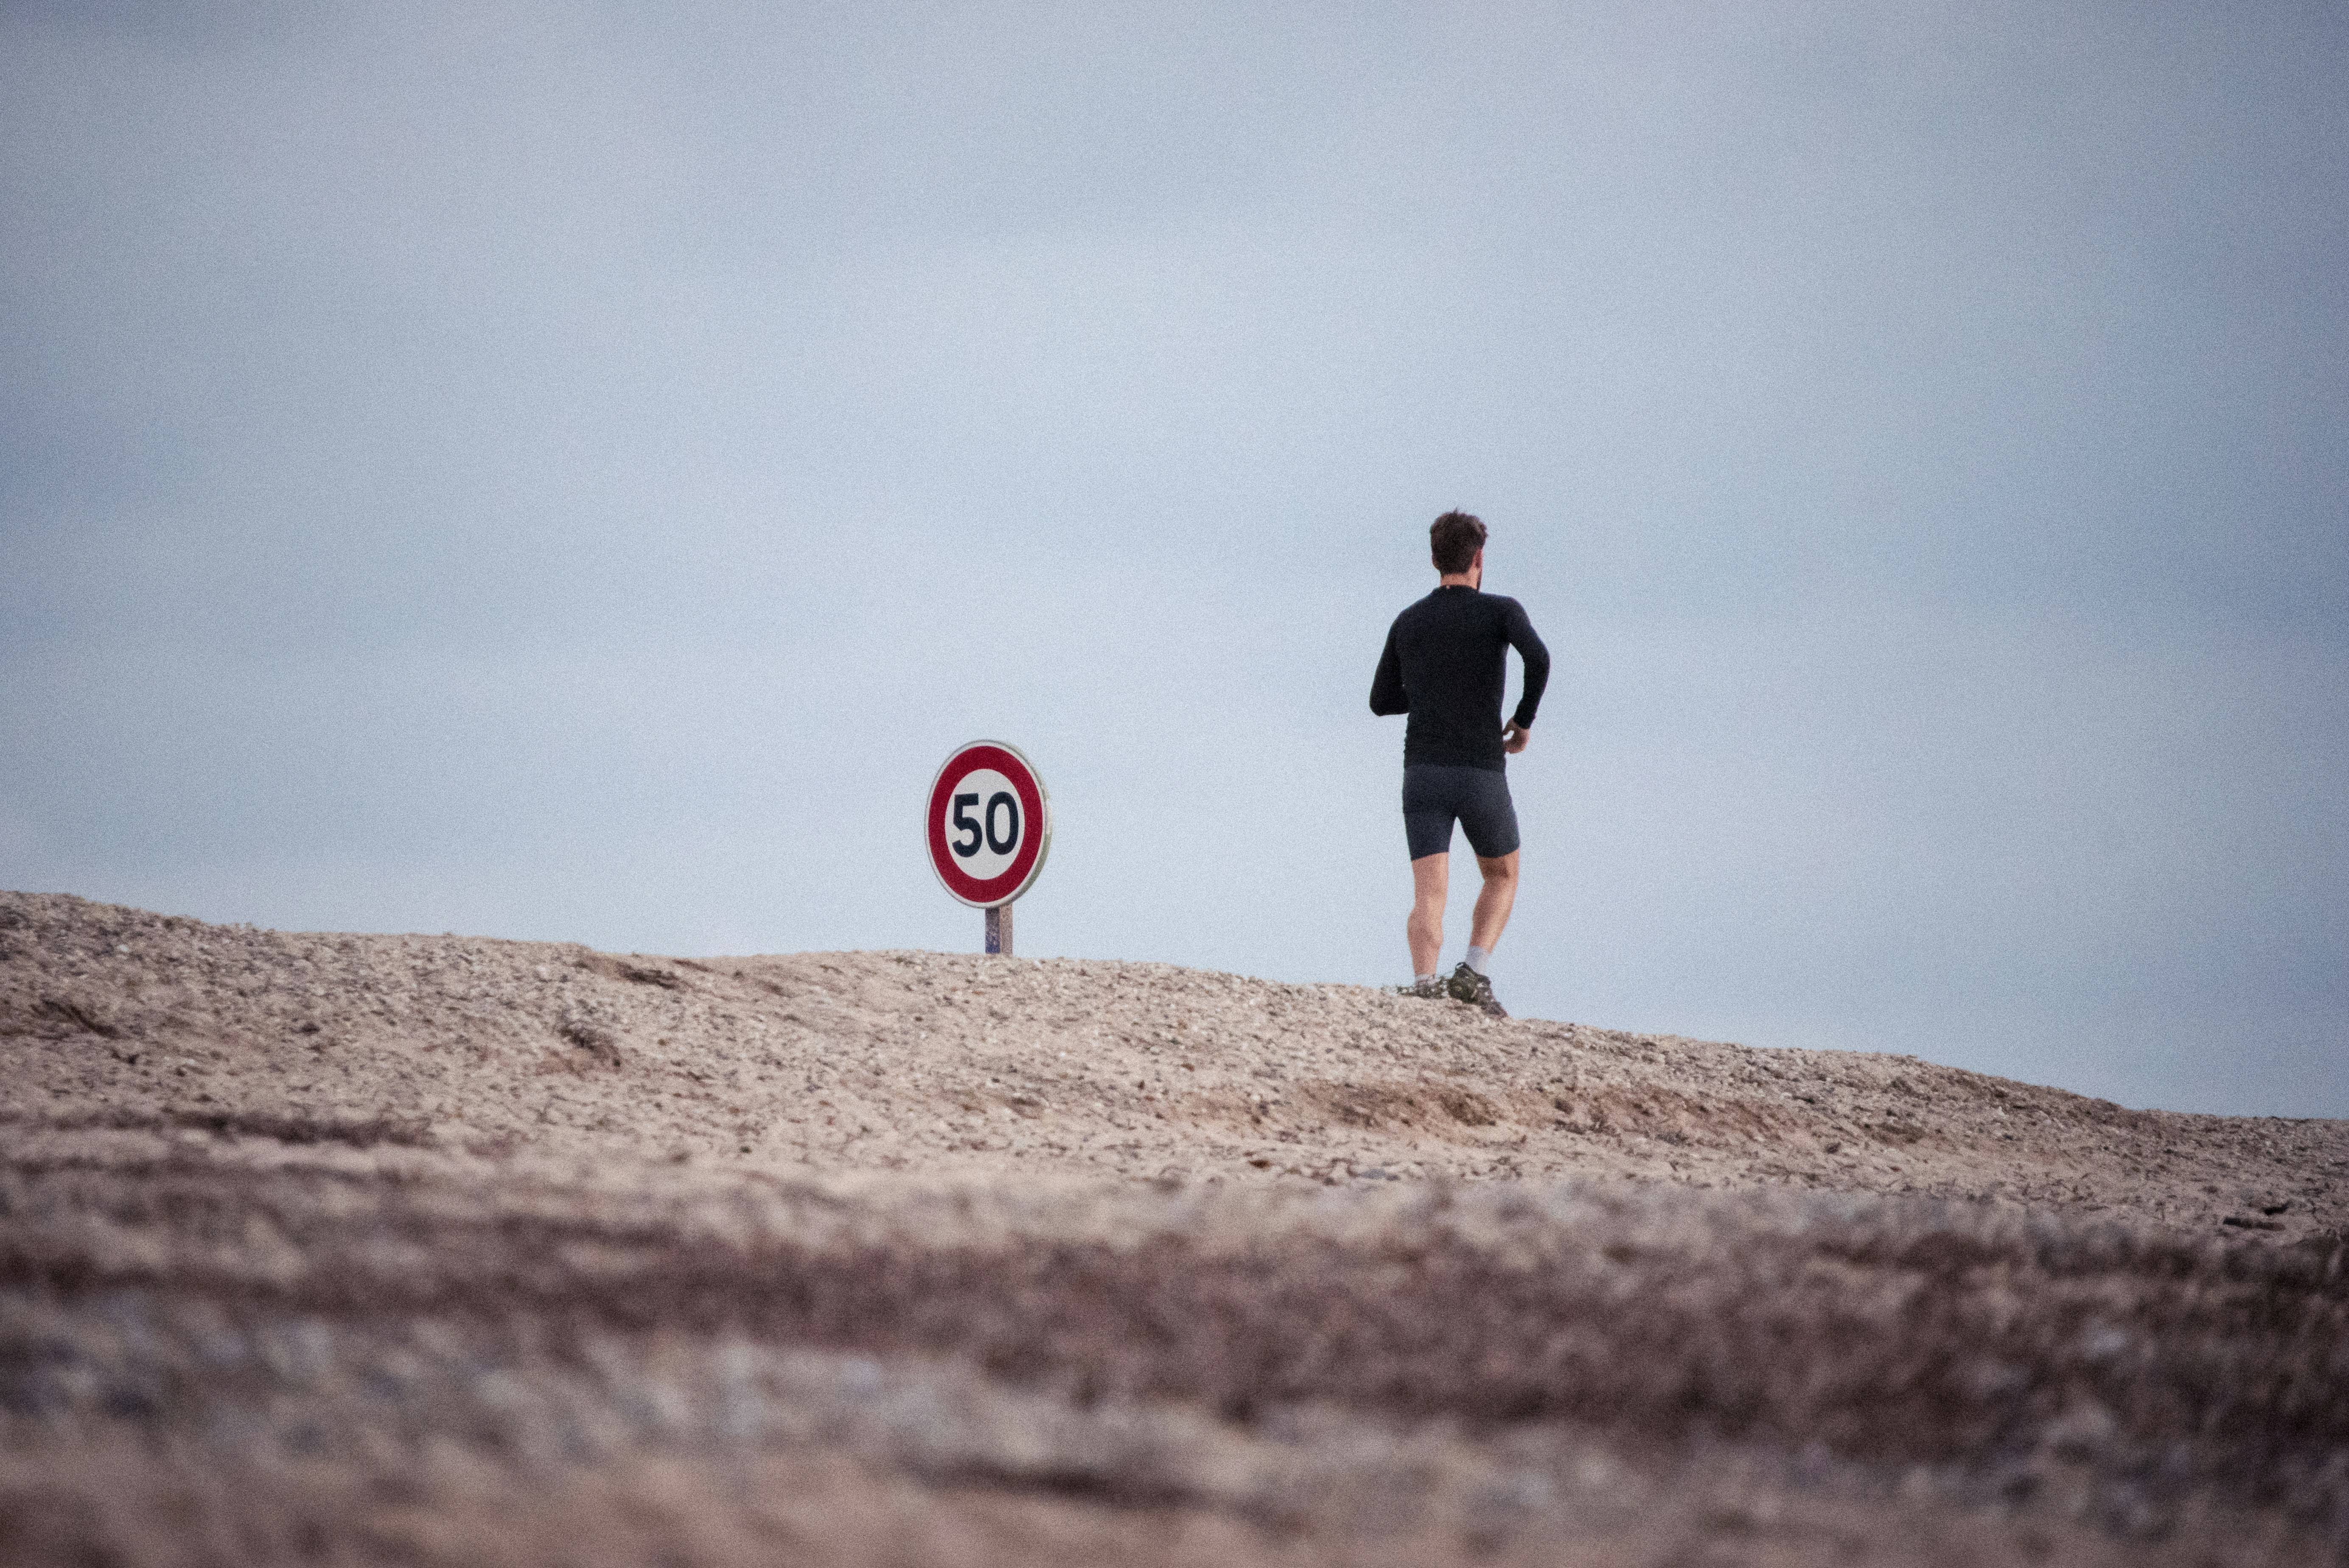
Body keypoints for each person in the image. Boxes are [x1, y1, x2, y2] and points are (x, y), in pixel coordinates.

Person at [1368, 511, 1550, 1016]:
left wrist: (1431, 694)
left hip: (1422, 772)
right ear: (1478, 559)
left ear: (1433, 560)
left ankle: (1424, 983)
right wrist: (1523, 718)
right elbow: (1538, 659)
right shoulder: (1501, 612)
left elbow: (1381, 701)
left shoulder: (1409, 620)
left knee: (1429, 890)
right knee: (1502, 874)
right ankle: (1472, 972)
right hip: (1479, 771)